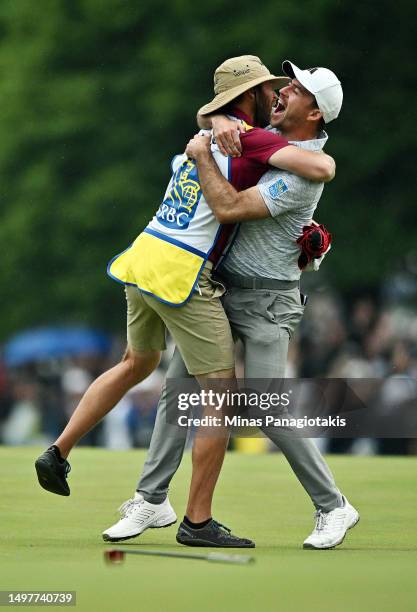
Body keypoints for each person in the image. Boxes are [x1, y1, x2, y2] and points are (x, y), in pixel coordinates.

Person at [35, 55, 334, 548]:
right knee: (216, 397)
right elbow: (320, 165)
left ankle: (62, 452)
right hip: (182, 275)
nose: (275, 95)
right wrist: (227, 126)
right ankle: (197, 522)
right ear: (250, 97)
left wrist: (211, 119)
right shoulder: (247, 140)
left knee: (137, 362)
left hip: (142, 258)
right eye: (266, 89)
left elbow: (209, 121)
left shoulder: (206, 134)